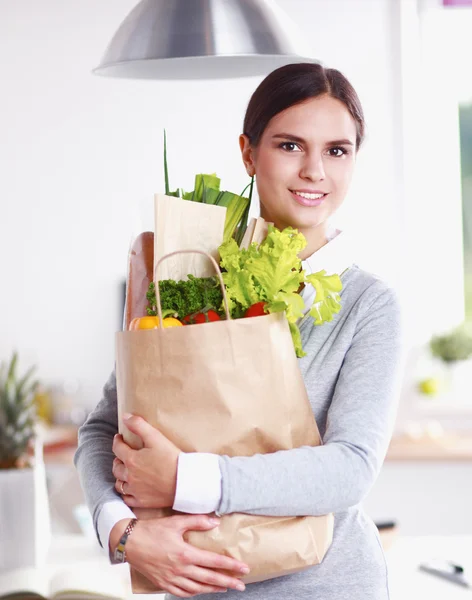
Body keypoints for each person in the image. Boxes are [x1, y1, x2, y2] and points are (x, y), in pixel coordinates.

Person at [75, 62, 405, 599]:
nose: (315, 171)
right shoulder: (187, 277)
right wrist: (123, 531)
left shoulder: (368, 305)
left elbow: (350, 469)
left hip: (328, 584)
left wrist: (183, 478)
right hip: (194, 585)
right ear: (249, 153)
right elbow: (102, 430)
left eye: (337, 150)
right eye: (290, 146)